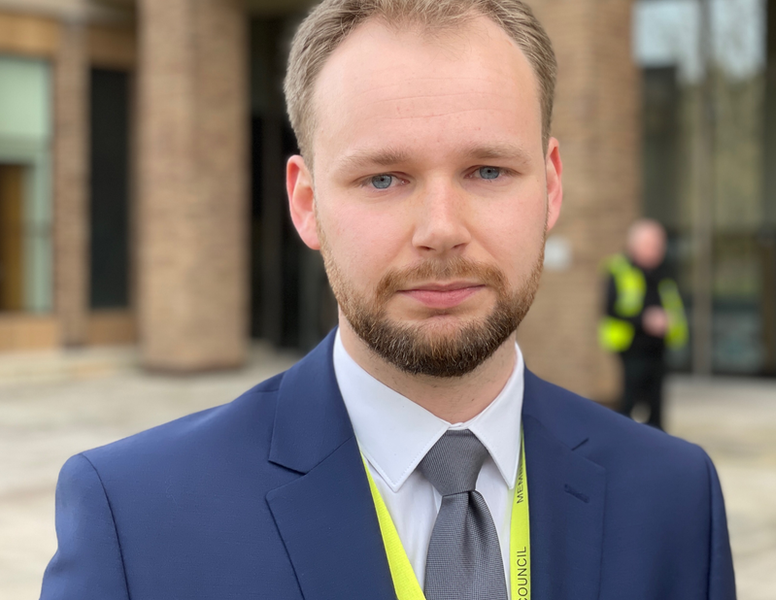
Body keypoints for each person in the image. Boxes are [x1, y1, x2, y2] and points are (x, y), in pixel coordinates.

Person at [40, 2, 733, 599]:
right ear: (306, 205)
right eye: (383, 179)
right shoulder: (137, 519)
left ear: (550, 187)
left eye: (487, 170)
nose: (441, 231)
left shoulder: (673, 498)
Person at [601, 220, 687, 430]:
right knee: (630, 399)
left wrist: (668, 321)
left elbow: (674, 304)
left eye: (660, 244)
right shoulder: (619, 269)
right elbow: (611, 309)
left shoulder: (665, 273)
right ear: (634, 245)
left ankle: (657, 440)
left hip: (659, 345)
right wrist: (646, 320)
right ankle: (621, 440)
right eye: (651, 244)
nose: (657, 249)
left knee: (656, 400)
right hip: (632, 345)